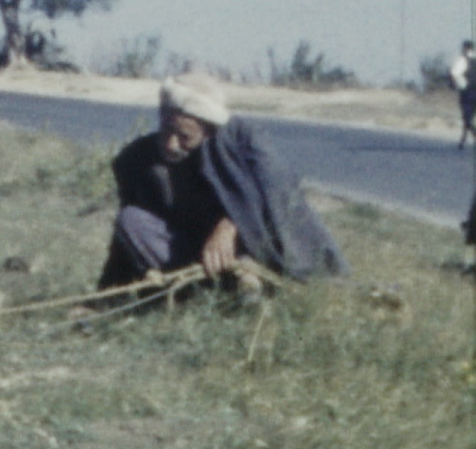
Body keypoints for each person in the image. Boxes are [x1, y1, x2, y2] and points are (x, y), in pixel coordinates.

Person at [97, 71, 349, 294]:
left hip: (252, 249)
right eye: (166, 130)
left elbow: (278, 193)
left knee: (265, 217)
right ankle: (204, 291)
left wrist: (231, 224)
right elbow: (123, 241)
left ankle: (252, 279)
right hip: (189, 256)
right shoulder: (137, 158)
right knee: (131, 219)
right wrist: (105, 293)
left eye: (184, 137)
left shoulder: (243, 141)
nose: (171, 144)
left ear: (208, 131)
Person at [449, 39, 476, 149]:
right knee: (469, 117)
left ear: (465, 48)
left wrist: (462, 86)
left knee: (467, 117)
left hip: (468, 91)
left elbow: (454, 73)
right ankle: (463, 140)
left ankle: (470, 135)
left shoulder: (463, 60)